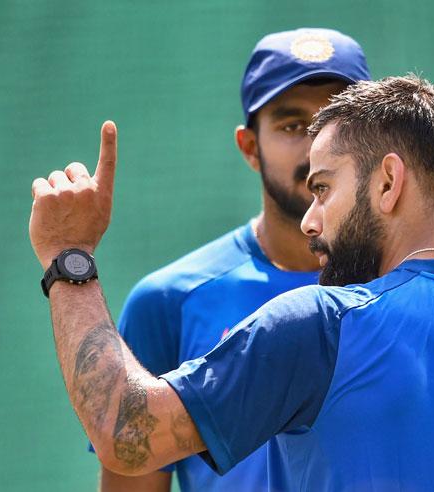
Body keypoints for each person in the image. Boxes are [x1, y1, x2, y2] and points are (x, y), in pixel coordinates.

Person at [29, 75, 434, 491]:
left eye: (323, 187)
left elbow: (126, 431)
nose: (309, 219)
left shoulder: (319, 325)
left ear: (388, 183)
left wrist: (68, 256)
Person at [100, 28, 371, 491]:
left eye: (334, 126)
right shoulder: (170, 301)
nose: (314, 149)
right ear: (250, 147)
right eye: (291, 126)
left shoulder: (404, 285)